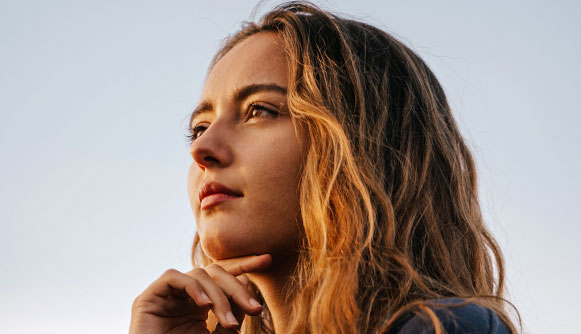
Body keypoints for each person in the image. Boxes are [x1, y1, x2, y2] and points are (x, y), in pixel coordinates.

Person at [129, 2, 520, 333]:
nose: (203, 148)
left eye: (259, 111)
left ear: (360, 145)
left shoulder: (442, 326)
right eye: (198, 127)